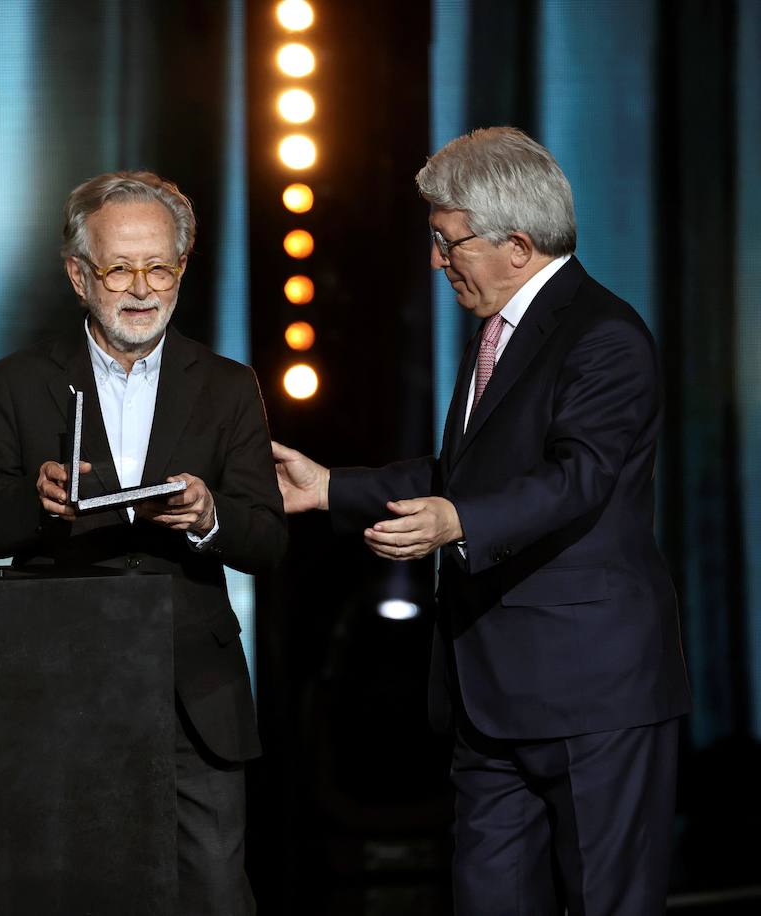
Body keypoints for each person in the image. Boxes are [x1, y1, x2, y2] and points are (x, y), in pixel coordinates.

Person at [272, 127, 690, 914]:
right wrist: (331, 488)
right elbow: (465, 476)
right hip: (488, 696)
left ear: (519, 245)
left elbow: (579, 479)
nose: (436, 262)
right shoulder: (497, 332)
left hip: (592, 695)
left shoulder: (605, 337)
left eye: (447, 241)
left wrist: (457, 519)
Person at [0, 170, 285, 915]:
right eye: (119, 268)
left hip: (193, 691)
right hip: (58, 681)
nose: (142, 288)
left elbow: (268, 540)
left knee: (213, 893)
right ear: (79, 275)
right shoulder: (20, 381)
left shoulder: (228, 385)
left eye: (159, 266)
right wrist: (36, 504)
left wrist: (208, 515)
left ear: (182, 270)